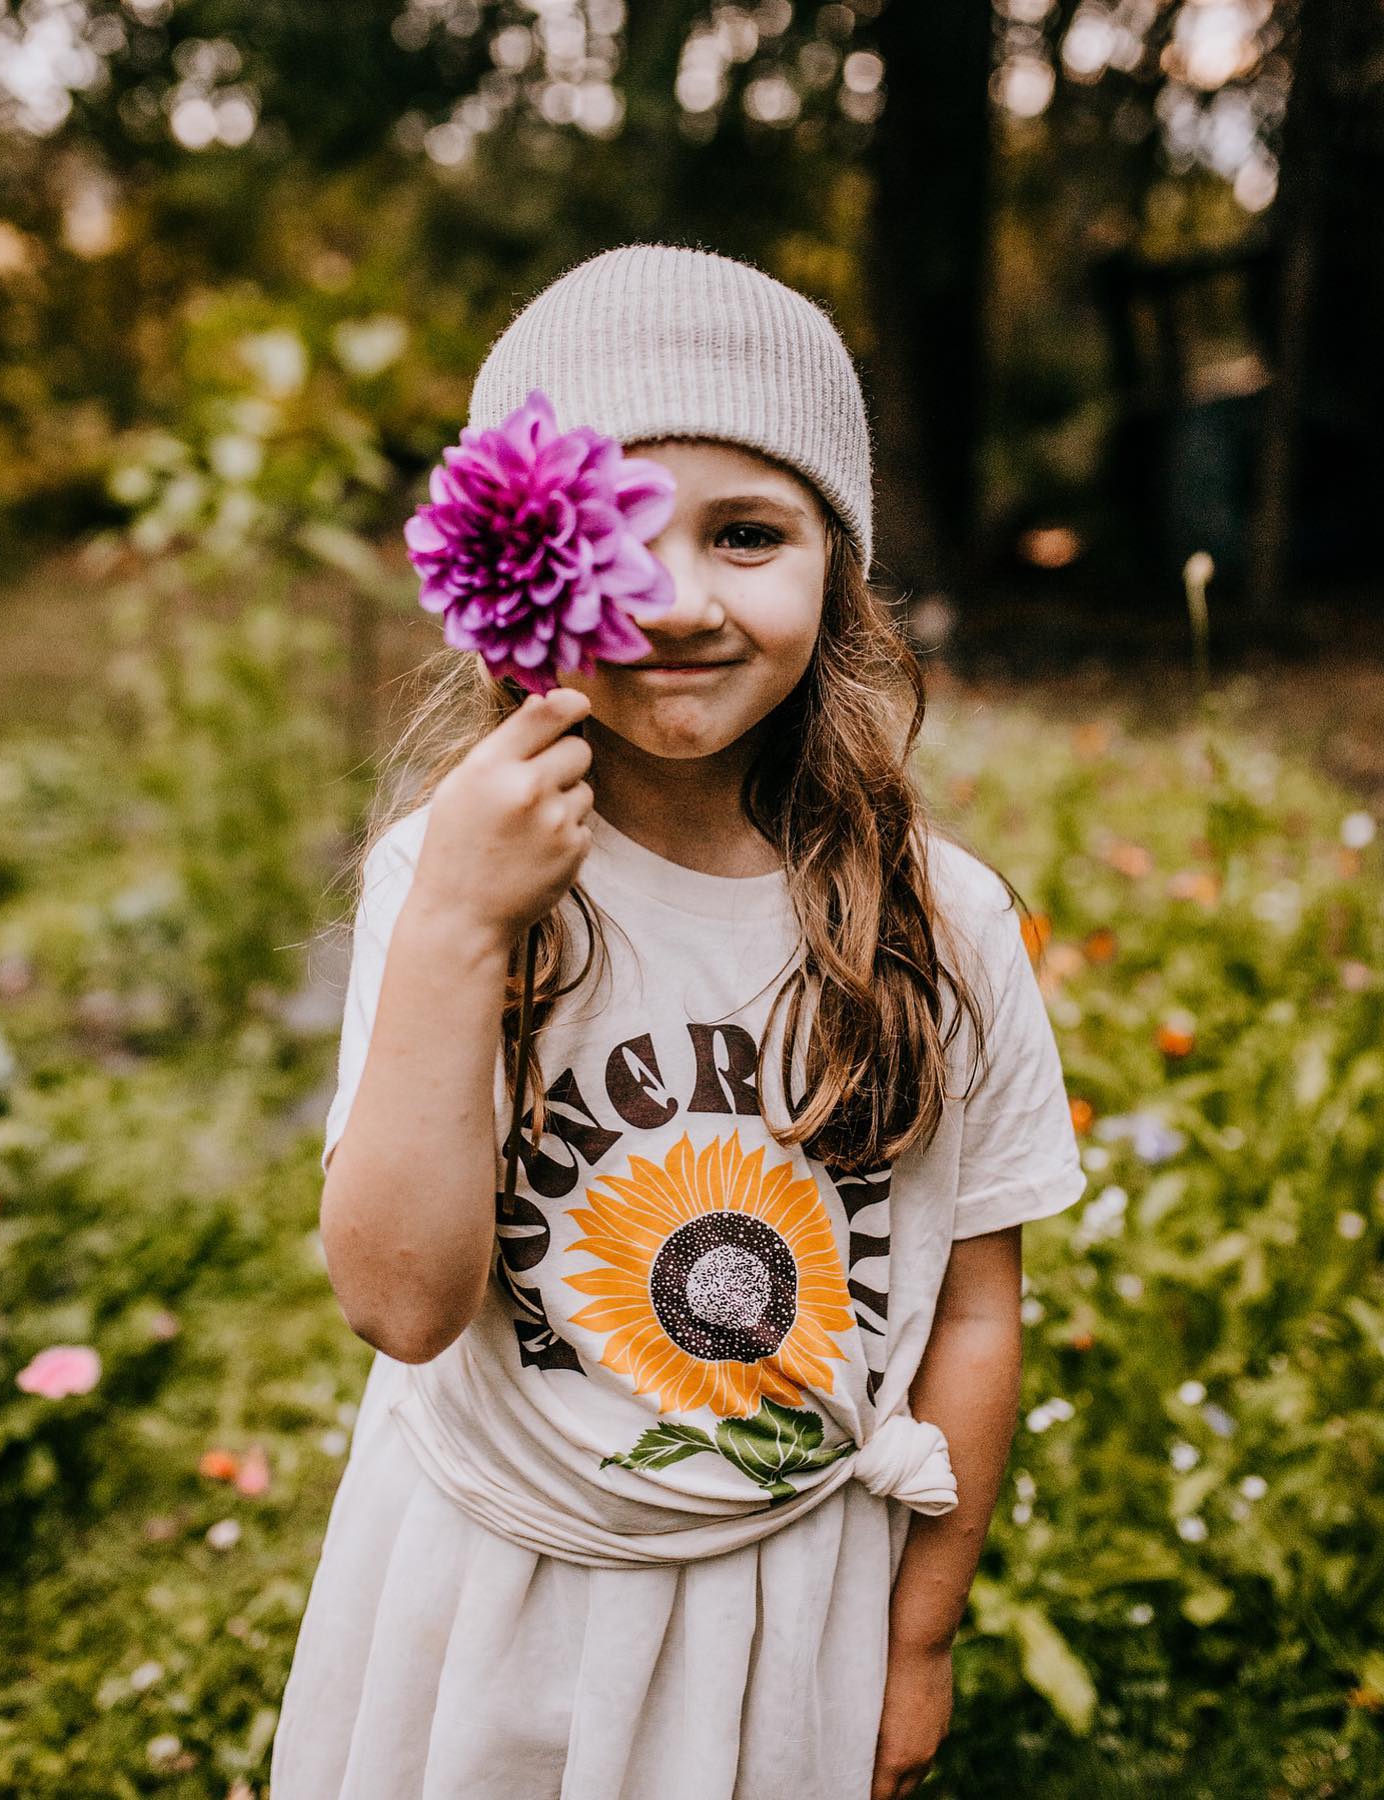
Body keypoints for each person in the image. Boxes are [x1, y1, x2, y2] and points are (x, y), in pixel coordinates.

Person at [269, 242, 1086, 1800]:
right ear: (520, 559)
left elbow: (974, 1309)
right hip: (486, 1590)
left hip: (790, 1602)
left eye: (750, 531)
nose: (685, 598)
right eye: (624, 534)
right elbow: (400, 1305)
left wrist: (921, 1641)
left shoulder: (946, 921)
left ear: (836, 570)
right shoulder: (448, 880)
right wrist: (457, 924)